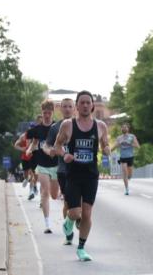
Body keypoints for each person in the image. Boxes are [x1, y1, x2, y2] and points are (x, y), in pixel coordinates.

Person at [52, 91, 111, 261]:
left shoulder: (100, 126)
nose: (85, 105)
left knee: (87, 213)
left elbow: (105, 145)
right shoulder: (68, 125)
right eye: (82, 102)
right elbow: (57, 146)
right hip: (73, 174)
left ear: (92, 106)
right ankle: (68, 222)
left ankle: (81, 248)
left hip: (91, 175)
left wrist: (107, 150)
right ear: (77, 106)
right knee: (74, 212)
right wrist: (64, 155)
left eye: (88, 103)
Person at [45, 98, 78, 244]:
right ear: (60, 109)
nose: (67, 109)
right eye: (64, 106)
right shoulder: (55, 127)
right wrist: (50, 151)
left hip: (81, 169)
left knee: (81, 204)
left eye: (70, 106)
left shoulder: (81, 125)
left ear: (74, 108)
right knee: (68, 203)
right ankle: (68, 233)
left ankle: (77, 218)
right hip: (63, 170)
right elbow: (46, 145)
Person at [26, 101, 61, 233]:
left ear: (52, 113)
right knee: (45, 192)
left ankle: (57, 193)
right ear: (42, 113)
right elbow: (34, 143)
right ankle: (47, 224)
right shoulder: (38, 129)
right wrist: (29, 149)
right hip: (42, 165)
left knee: (54, 195)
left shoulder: (58, 127)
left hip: (56, 165)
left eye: (49, 113)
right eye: (44, 113)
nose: (46, 115)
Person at [115, 123, 140, 195]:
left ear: (128, 129)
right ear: (121, 129)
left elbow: (138, 146)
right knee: (124, 172)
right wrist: (108, 151)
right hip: (123, 157)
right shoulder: (119, 138)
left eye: (125, 127)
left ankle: (129, 178)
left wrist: (130, 143)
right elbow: (115, 145)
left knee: (130, 175)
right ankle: (126, 189)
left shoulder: (132, 136)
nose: (124, 128)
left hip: (130, 156)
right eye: (122, 127)